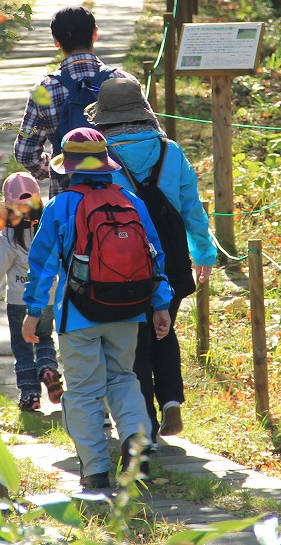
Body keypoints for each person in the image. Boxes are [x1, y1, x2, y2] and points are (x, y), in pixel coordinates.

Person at [22, 127, 174, 490]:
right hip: (129, 309)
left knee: (86, 390)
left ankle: (94, 470)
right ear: (106, 165)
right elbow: (155, 256)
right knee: (123, 378)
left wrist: (33, 311)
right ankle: (137, 442)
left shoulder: (62, 205)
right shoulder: (131, 202)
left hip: (79, 314)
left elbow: (42, 264)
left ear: (69, 167)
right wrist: (160, 305)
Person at [86, 77, 215, 440]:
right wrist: (202, 252)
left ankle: (144, 423)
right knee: (164, 328)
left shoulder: (101, 157)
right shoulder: (170, 151)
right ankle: (172, 400)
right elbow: (191, 206)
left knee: (134, 341)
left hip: (121, 262)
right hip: (171, 258)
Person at [14, 5, 139, 196]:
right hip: (123, 195)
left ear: (56, 41)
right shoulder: (123, 81)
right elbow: (150, 138)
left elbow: (25, 153)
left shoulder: (44, 90)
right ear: (95, 34)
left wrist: (59, 165)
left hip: (67, 197)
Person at [0, 171, 64, 412]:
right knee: (45, 337)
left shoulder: (7, 236)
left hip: (17, 301)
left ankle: (30, 395)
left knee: (22, 345)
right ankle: (48, 368)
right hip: (48, 297)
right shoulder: (48, 230)